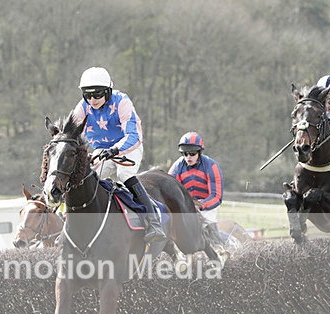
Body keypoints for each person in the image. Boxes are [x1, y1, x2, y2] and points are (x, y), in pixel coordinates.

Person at [71, 67, 166, 244]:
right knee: (87, 178)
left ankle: (153, 221)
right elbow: (72, 131)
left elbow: (133, 135)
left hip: (128, 147)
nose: (92, 100)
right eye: (87, 95)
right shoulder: (82, 107)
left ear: (108, 91)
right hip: (102, 150)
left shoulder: (122, 101)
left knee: (124, 174)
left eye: (97, 94)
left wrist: (115, 150)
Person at [167, 132, 225, 245]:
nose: (188, 157)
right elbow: (169, 192)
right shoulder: (176, 167)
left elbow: (216, 196)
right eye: (185, 153)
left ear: (199, 152)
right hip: (186, 204)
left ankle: (219, 247)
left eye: (192, 153)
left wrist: (200, 205)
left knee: (207, 220)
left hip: (207, 204)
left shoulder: (211, 166)